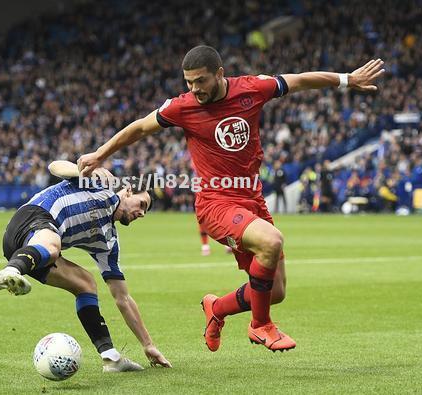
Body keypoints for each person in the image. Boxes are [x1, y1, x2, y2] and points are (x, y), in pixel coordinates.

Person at [78, 45, 384, 352]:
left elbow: (300, 80)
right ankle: (261, 326)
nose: (194, 89)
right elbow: (140, 128)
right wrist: (100, 154)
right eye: (188, 82)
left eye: (200, 81)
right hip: (215, 203)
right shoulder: (181, 107)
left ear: (219, 74)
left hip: (253, 201)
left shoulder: (252, 88)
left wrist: (346, 79)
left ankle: (217, 309)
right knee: (271, 241)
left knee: (274, 291)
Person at [0, 171, 171, 372]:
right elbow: (55, 166)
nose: (142, 213)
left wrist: (148, 345)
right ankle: (11, 271)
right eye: (142, 204)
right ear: (128, 191)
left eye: (146, 211)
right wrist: (83, 172)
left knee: (86, 284)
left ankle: (111, 358)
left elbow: (122, 297)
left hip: (34, 253)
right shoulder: (101, 187)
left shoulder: (108, 242)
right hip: (32, 218)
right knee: (54, 246)